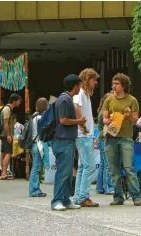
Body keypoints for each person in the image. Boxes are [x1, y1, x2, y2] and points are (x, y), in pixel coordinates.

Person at [102, 73, 141, 206]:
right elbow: (104, 119)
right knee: (113, 169)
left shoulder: (132, 100)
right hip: (111, 136)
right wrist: (108, 120)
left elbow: (136, 120)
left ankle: (136, 196)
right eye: (113, 83)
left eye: (117, 83)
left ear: (124, 85)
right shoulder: (109, 100)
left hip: (126, 137)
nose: (114, 86)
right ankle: (118, 196)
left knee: (129, 167)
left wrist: (129, 115)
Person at [51, 74, 86, 211]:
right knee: (63, 172)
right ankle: (57, 200)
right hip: (62, 140)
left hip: (67, 140)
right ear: (75, 86)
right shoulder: (65, 99)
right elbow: (63, 120)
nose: (80, 88)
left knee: (67, 172)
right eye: (79, 85)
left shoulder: (66, 98)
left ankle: (65, 200)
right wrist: (79, 121)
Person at [73, 68, 100, 207]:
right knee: (89, 166)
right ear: (87, 79)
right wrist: (81, 123)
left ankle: (79, 196)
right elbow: (76, 106)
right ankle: (83, 196)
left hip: (84, 134)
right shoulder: (82, 93)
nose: (95, 82)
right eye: (94, 80)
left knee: (83, 167)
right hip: (84, 135)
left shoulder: (85, 94)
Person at [28, 97, 49, 197]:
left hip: (34, 144)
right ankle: (34, 190)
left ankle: (36, 188)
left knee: (36, 168)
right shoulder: (41, 118)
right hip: (38, 144)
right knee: (36, 168)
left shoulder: (34, 116)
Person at [0, 93, 23, 180]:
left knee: (3, 153)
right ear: (15, 101)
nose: (20, 103)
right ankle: (4, 173)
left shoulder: (8, 109)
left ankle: (3, 171)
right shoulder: (7, 109)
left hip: (3, 134)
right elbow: (6, 124)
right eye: (19, 101)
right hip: (5, 135)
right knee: (8, 153)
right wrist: (8, 135)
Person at [95, 93, 114, 195]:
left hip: (101, 139)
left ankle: (100, 187)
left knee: (102, 165)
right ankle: (109, 188)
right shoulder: (104, 113)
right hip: (104, 139)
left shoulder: (101, 111)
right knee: (108, 164)